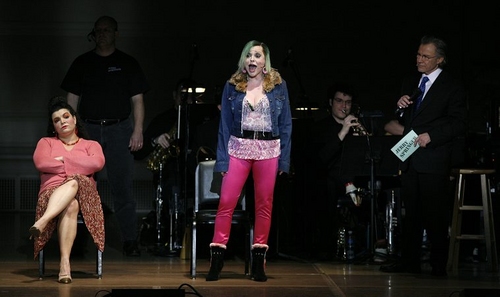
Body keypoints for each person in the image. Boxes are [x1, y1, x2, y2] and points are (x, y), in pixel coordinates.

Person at [61, 15, 150, 257]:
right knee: (81, 187)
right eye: (98, 30)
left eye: (107, 30)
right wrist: (71, 132)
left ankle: (130, 240)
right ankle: (76, 241)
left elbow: (138, 99)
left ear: (115, 33)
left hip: (120, 130)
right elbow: (71, 99)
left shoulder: (127, 63)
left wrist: (138, 129)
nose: (102, 34)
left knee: (122, 187)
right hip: (88, 130)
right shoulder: (83, 62)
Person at [379, 35, 467, 276]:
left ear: (439, 60)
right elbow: (401, 118)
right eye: (418, 54)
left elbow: (458, 123)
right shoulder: (411, 81)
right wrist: (400, 105)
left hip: (433, 157)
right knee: (412, 213)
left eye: (425, 56)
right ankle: (409, 262)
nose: (419, 59)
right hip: (410, 157)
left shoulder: (452, 86)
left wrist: (433, 136)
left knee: (435, 214)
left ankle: (439, 266)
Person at [206, 40, 292, 282]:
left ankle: (258, 263)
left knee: (264, 205)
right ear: (243, 61)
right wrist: (222, 161)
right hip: (238, 148)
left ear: (265, 62)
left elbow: (286, 125)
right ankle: (217, 259)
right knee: (226, 202)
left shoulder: (278, 86)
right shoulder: (232, 86)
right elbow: (223, 127)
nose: (252, 59)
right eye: (248, 56)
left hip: (268, 150)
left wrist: (284, 161)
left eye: (257, 55)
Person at [29, 96, 105, 284]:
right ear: (53, 126)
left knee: (73, 182)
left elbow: (97, 163)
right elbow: (41, 163)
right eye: (57, 120)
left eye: (65, 116)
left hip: (85, 194)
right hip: (51, 194)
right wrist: (80, 166)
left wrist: (63, 161)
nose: (62, 122)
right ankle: (65, 265)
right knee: (71, 204)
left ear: (74, 119)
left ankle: (43, 221)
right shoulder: (45, 143)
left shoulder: (91, 145)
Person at [310, 82, 366, 260]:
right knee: (325, 187)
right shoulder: (321, 127)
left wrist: (363, 139)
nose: (344, 106)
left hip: (354, 178)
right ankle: (325, 246)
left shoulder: (357, 125)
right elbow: (321, 160)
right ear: (330, 102)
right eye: (340, 101)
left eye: (348, 102)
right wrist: (343, 132)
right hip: (330, 180)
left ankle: (369, 244)